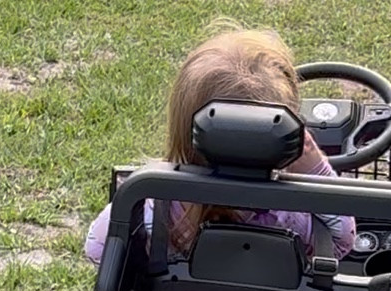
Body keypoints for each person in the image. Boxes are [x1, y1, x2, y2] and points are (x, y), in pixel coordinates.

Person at [83, 24, 356, 266]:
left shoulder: (154, 203)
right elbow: (342, 242)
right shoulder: (289, 218)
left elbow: (96, 247)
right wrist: (316, 170)